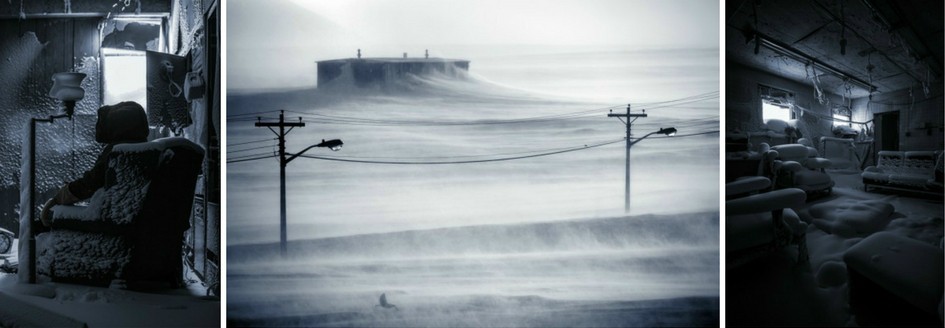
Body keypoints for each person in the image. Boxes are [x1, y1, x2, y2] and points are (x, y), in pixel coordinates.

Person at [39, 101, 149, 226]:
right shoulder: (146, 149)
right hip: (133, 217)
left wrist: (60, 197)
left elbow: (91, 183)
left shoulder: (117, 151)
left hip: (113, 222)